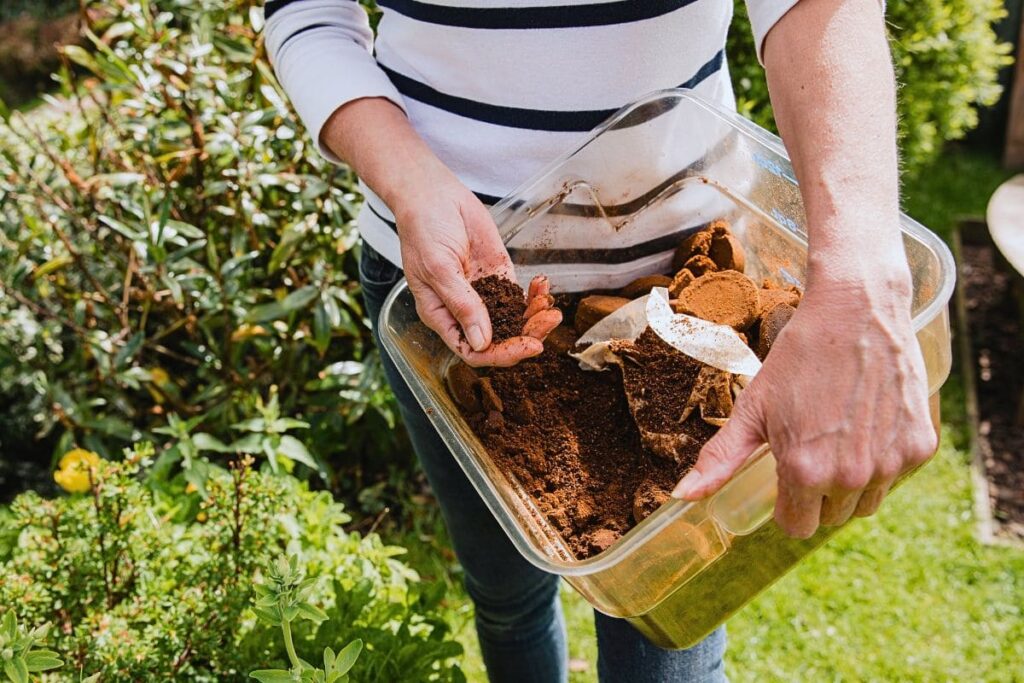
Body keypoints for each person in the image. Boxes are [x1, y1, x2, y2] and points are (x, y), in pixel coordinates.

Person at [264, 0, 938, 680]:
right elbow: (305, 12)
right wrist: (409, 179)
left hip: (688, 291)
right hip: (454, 299)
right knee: (507, 597)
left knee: (667, 644)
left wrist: (858, 282)